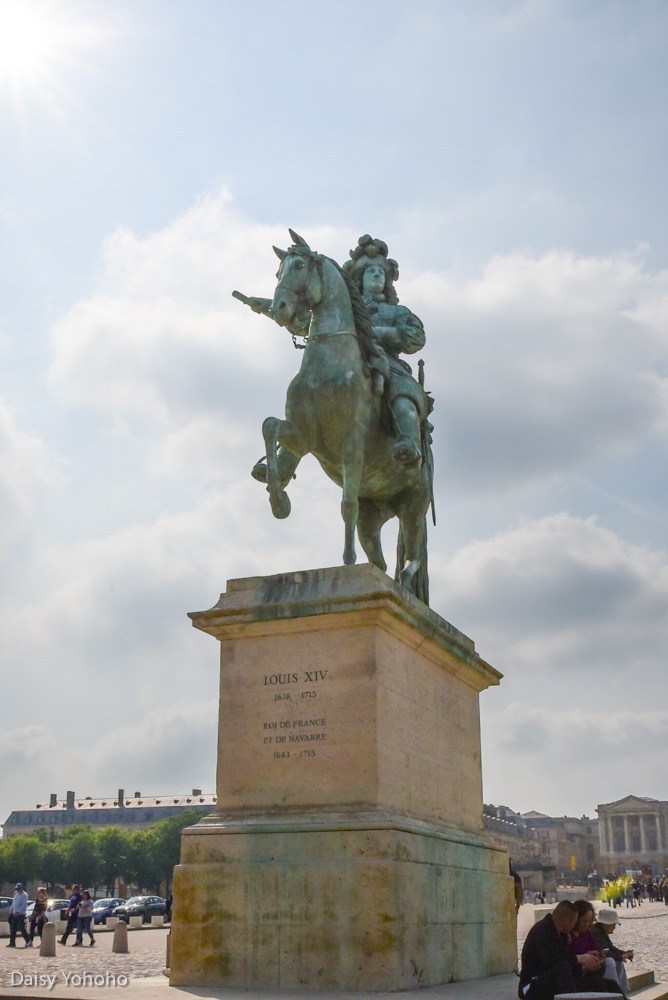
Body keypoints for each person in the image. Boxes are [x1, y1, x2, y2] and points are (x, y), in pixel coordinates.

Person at [342, 235, 431, 466]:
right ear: (359, 279)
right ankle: (285, 459)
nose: (377, 275)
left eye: (381, 272)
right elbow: (310, 324)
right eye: (370, 271)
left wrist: (377, 332)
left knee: (402, 393)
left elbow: (416, 337)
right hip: (347, 361)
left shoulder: (397, 312)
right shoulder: (343, 309)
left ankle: (408, 440)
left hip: (389, 365)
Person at [518, 899, 623, 999]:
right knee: (562, 968)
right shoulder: (543, 930)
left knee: (606, 984)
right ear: (567, 921)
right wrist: (580, 958)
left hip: (554, 981)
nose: (574, 926)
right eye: (575, 921)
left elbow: (566, 959)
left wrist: (586, 963)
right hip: (532, 985)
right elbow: (552, 961)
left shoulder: (562, 934)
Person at [568, 900, 624, 996]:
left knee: (611, 983)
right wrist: (583, 959)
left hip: (593, 970)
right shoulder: (567, 935)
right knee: (607, 970)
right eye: (584, 921)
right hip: (577, 974)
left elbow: (597, 949)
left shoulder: (587, 933)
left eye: (589, 921)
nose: (587, 924)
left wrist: (598, 955)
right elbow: (565, 958)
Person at [592, 907, 633, 998]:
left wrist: (623, 953)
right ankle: (615, 994)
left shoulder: (601, 932)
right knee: (610, 961)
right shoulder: (596, 933)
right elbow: (606, 952)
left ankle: (622, 993)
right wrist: (622, 957)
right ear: (607, 924)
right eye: (613, 924)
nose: (614, 927)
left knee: (618, 963)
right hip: (595, 963)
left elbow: (611, 948)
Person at [7, 883, 30, 948]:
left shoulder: (25, 895)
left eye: (18, 888)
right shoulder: (15, 894)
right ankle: (12, 943)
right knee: (13, 929)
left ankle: (28, 941)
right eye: (16, 888)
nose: (17, 890)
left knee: (21, 928)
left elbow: (24, 905)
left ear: (22, 888)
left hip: (20, 914)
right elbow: (13, 903)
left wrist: (18, 911)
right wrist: (11, 912)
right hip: (13, 914)